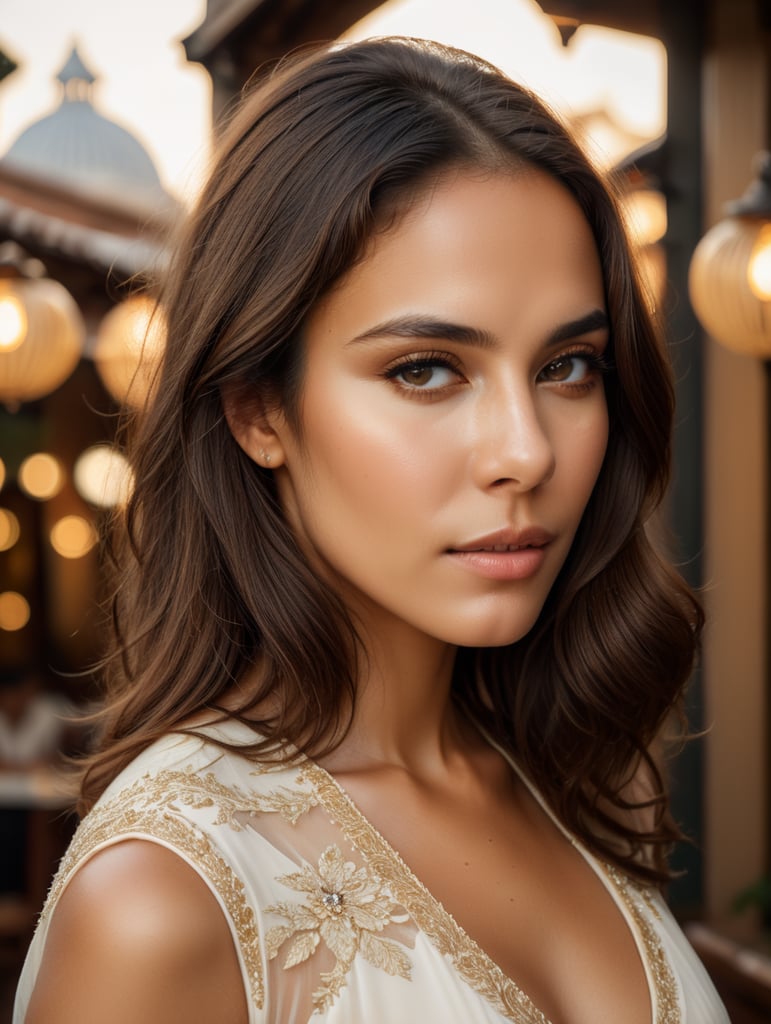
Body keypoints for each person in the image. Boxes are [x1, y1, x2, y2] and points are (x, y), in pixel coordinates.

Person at [14, 36, 728, 1024]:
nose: (525, 452)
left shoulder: (567, 776)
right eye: (426, 368)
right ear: (259, 409)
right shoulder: (165, 901)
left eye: (568, 366)